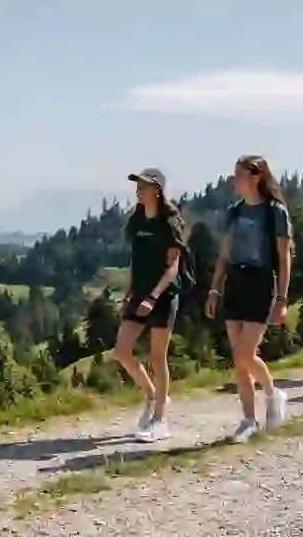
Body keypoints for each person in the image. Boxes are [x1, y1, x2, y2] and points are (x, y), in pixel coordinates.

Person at [205, 155, 291, 444]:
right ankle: (248, 419)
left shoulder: (274, 212)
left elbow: (284, 257)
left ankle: (272, 392)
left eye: (239, 175)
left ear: (256, 177)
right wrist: (215, 288)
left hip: (261, 283)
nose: (234, 181)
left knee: (244, 353)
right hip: (236, 283)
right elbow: (225, 252)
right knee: (239, 359)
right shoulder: (235, 211)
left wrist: (282, 298)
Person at [112, 167, 187, 442]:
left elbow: (172, 268)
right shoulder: (137, 221)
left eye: (143, 186)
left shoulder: (169, 221)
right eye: (137, 186)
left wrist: (153, 297)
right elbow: (135, 261)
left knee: (158, 357)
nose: (138, 190)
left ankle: (160, 419)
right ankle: (153, 395)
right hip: (139, 294)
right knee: (121, 351)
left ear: (157, 189)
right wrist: (130, 293)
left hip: (163, 296)